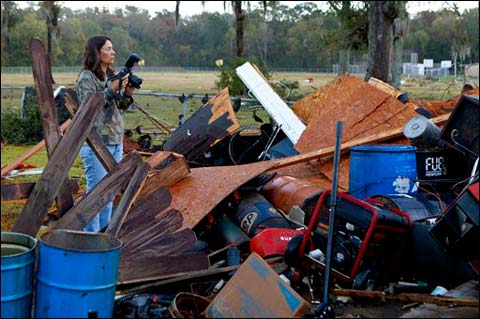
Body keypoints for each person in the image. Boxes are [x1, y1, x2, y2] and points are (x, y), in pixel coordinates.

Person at [76, 35, 136, 232]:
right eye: (108, 49)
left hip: (115, 140)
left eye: (113, 48)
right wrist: (112, 90)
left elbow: (120, 108)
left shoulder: (111, 76)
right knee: (95, 195)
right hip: (96, 143)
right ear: (97, 52)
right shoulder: (87, 77)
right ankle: (90, 240)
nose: (113, 52)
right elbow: (89, 108)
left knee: (109, 193)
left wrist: (127, 93)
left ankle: (104, 237)